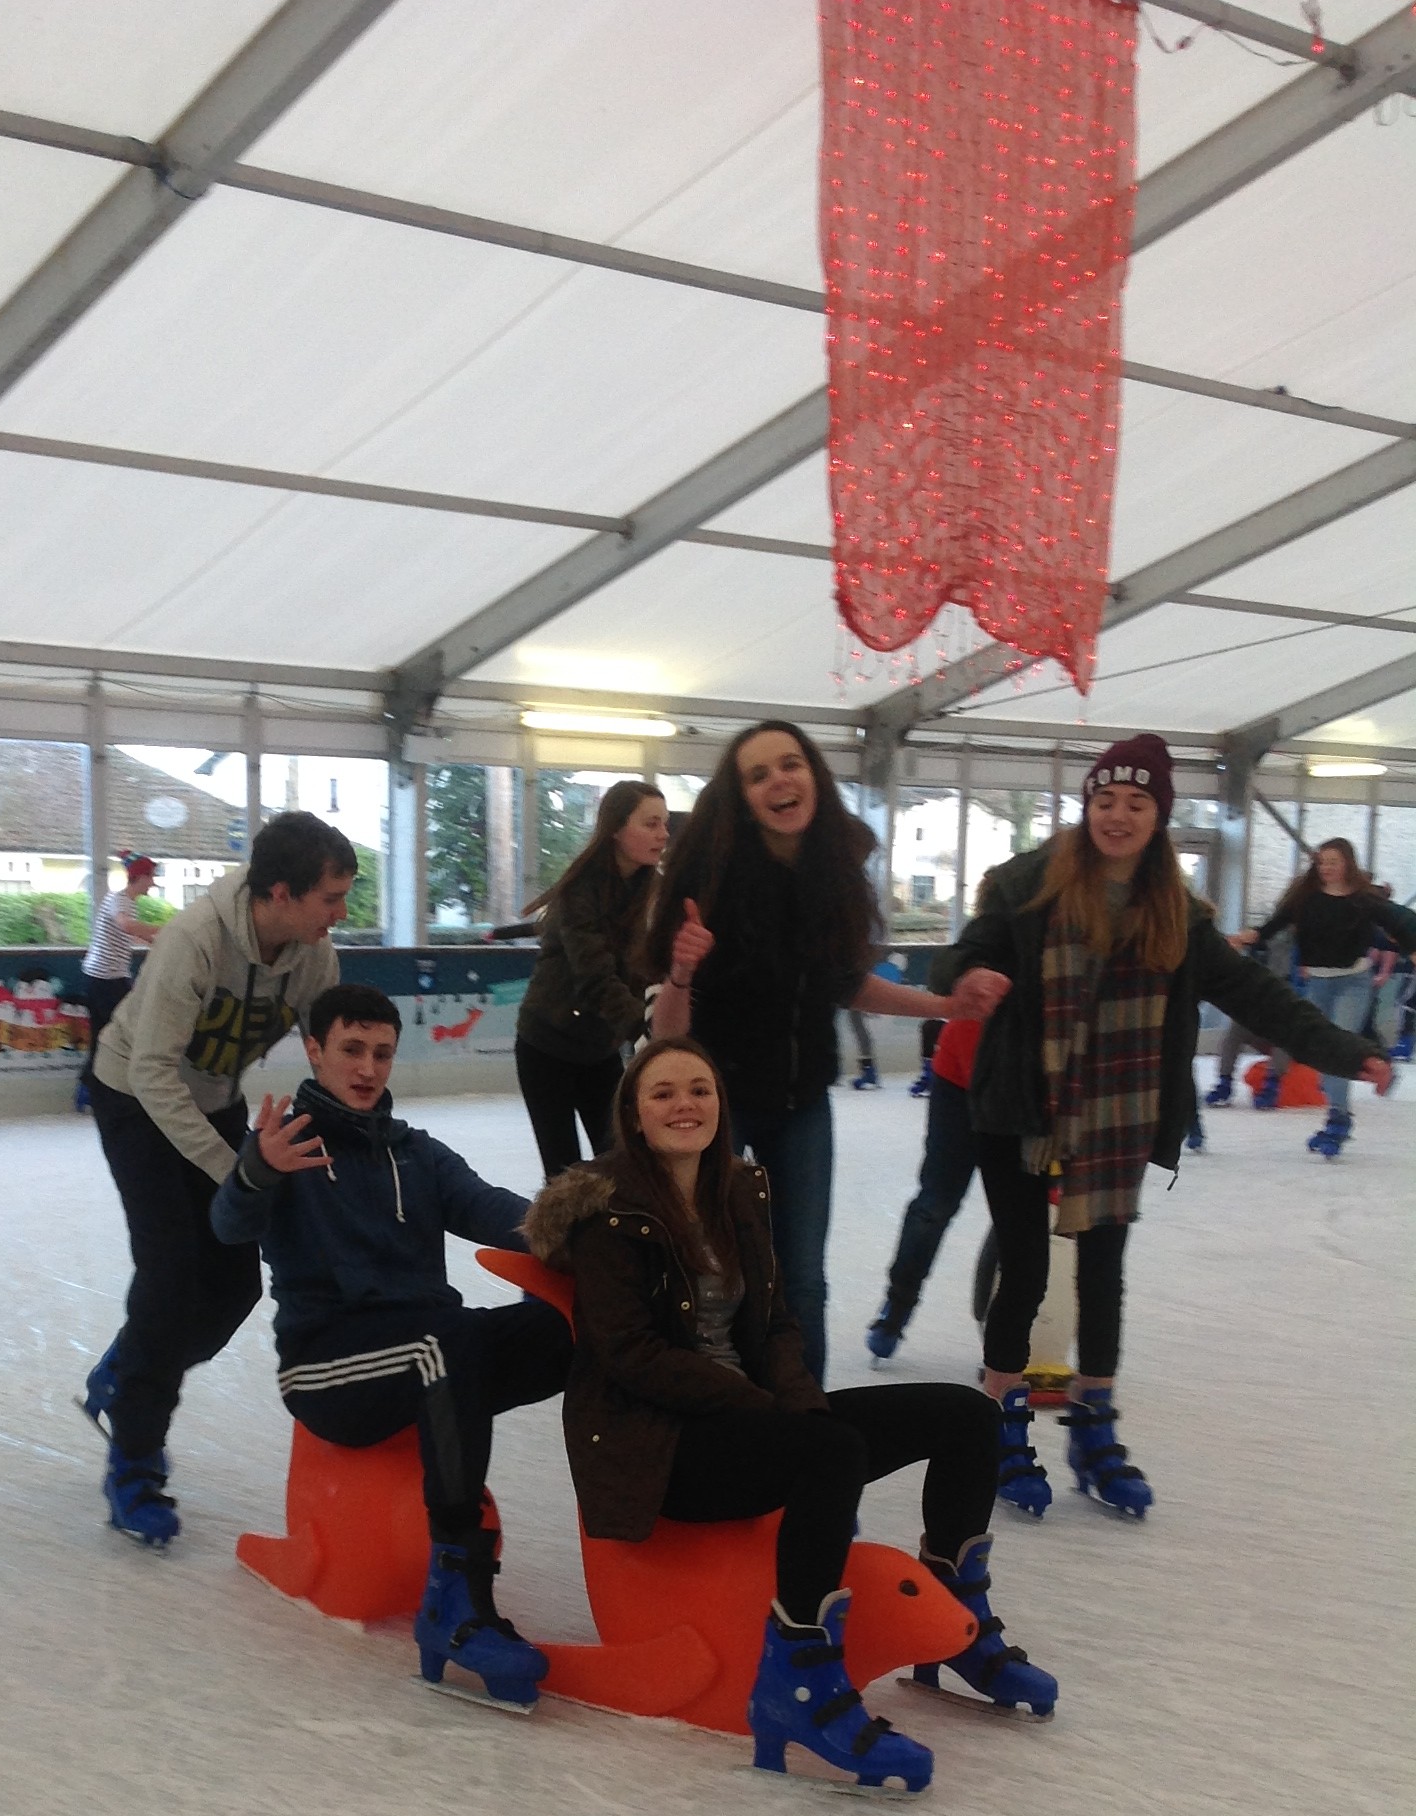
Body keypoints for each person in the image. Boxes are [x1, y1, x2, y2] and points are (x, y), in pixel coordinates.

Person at [525, 1039, 1057, 1795]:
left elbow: (775, 1324)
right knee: (828, 1452)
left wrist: (799, 1406)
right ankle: (799, 1679)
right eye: (663, 1093)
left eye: (700, 1089)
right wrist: (771, 1411)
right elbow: (630, 1354)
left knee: (967, 1415)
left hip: (760, 1420)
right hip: (662, 1447)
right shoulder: (608, 1212)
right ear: (635, 1116)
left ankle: (959, 1617)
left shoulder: (738, 1190)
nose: (685, 1105)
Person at [948, 737, 1394, 1517]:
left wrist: (1346, 1051)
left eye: (1137, 803)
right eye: (1105, 800)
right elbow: (967, 954)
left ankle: (1093, 1429)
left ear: (1159, 817)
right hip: (1020, 1106)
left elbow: (1257, 995)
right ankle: (1000, 1426)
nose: (1118, 815)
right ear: (1088, 807)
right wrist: (971, 975)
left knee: (1103, 1274)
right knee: (1024, 1270)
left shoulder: (1178, 916)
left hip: (1120, 1114)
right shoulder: (1025, 886)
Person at [211, 982, 570, 1709]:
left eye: (381, 1052)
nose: (368, 1068)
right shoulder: (286, 1148)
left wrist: (591, 1235)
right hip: (327, 1368)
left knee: (564, 1329)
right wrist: (256, 1171)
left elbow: (495, 1211)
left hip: (427, 1349)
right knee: (445, 1341)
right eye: (351, 1050)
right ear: (315, 1050)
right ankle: (456, 1602)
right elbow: (227, 1224)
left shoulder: (417, 1154)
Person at [650, 720, 1003, 1380]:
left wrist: (947, 1007)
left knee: (804, 1281)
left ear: (813, 773)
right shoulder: (709, 882)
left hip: (802, 1104)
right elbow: (667, 1036)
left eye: (790, 764)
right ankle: (709, 1408)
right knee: (709, 1275)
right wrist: (682, 970)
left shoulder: (832, 875)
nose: (779, 781)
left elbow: (847, 983)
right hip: (717, 1106)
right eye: (758, 775)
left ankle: (803, 1415)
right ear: (742, 798)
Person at [82, 811, 358, 1546]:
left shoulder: (314, 956)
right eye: (330, 898)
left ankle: (128, 1369)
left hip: (216, 1103)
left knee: (234, 1286)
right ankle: (135, 1461)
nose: (340, 914)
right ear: (281, 893)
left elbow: (331, 1053)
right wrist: (236, 1169)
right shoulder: (195, 941)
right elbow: (152, 1072)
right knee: (170, 1274)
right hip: (133, 1097)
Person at [513, 778, 669, 1176]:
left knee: (623, 1163)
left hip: (600, 1051)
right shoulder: (581, 891)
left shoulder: (654, 891)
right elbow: (595, 976)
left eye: (664, 824)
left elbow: (655, 966)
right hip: (546, 1046)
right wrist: (645, 1031)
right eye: (651, 823)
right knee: (564, 1173)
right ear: (616, 828)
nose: (663, 834)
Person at [1228, 837, 1416, 1156]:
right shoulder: (1306, 899)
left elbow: (1400, 922)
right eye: (1322, 862)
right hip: (1317, 983)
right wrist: (1250, 936)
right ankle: (1371, 1069)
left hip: (1352, 983)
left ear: (1347, 864)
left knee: (1336, 1047)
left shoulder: (1363, 900)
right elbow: (1275, 924)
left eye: (1333, 862)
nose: (1326, 868)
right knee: (1320, 1052)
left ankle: (1338, 1119)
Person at [864, 1009, 983, 1363]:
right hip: (960, 1079)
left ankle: (1010, 1332)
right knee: (935, 1203)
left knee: (1020, 1217)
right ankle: (895, 1310)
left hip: (1030, 1086)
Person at [79, 852, 168, 1090]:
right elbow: (126, 925)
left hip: (105, 978)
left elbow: (133, 934)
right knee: (119, 1035)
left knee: (105, 1035)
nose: (153, 883)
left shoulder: (125, 902)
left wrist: (162, 941)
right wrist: (166, 929)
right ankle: (99, 1086)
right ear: (140, 877)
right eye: (151, 877)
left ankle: (91, 1085)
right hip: (106, 980)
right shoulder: (120, 901)